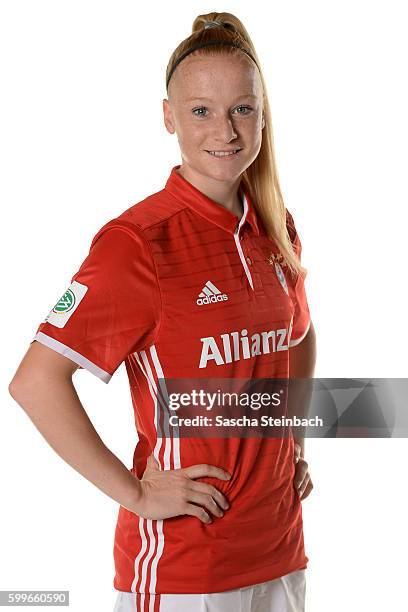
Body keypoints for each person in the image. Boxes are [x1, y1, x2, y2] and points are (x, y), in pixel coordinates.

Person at [8, 11, 316, 612]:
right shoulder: (138, 243)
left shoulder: (275, 229)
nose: (224, 130)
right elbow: (35, 382)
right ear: (169, 117)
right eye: (200, 110)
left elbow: (297, 338)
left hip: (280, 548)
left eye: (242, 109)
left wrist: (297, 441)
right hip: (185, 565)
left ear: (262, 114)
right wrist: (136, 494)